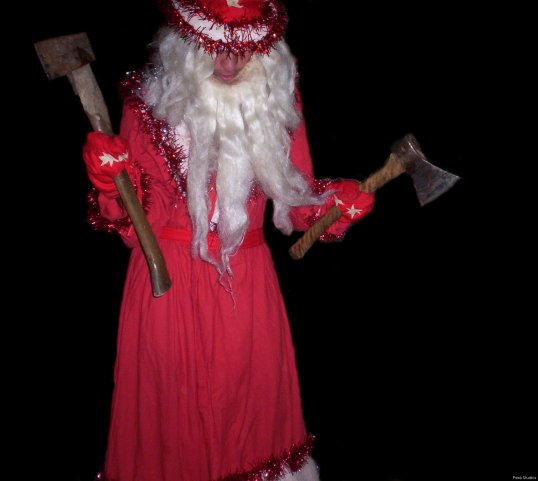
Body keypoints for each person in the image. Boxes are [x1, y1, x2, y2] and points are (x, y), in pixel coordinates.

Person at [82, 1, 375, 480]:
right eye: (214, 47)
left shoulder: (277, 101)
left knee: (250, 426)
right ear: (187, 44)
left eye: (245, 50)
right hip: (167, 287)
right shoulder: (148, 102)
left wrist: (336, 207)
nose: (229, 63)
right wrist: (112, 181)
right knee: (170, 428)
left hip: (247, 286)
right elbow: (136, 225)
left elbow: (298, 200)